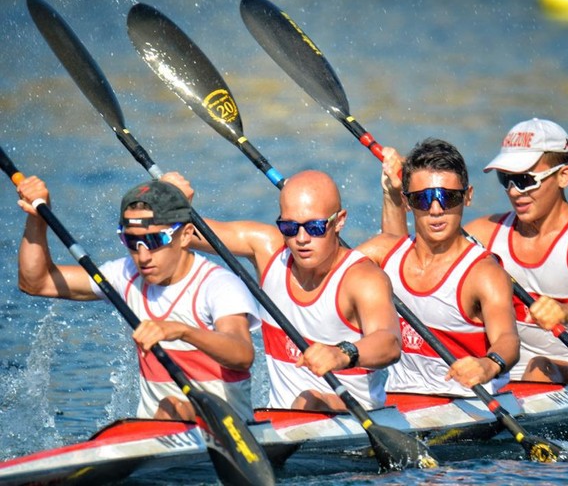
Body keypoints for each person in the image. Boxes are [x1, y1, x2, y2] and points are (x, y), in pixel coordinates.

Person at [16, 177, 260, 421]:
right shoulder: (125, 275)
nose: (143, 257)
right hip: (157, 426)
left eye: (154, 241)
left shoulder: (219, 285)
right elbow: (36, 282)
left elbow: (242, 355)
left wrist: (183, 331)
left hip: (229, 426)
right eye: (132, 242)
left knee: (172, 404)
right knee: (168, 407)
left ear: (185, 235)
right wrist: (37, 218)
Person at [162, 169, 401, 412]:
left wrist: (342, 354)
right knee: (174, 405)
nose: (301, 238)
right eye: (289, 227)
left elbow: (389, 343)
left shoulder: (362, 278)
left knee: (310, 398)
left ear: (339, 221)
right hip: (286, 417)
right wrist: (169, 204)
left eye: (315, 227)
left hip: (354, 414)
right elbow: (183, 235)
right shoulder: (268, 249)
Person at [463, 118, 568, 382]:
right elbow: (414, 263)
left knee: (539, 367)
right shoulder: (485, 233)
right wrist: (396, 197)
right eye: (505, 179)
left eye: (525, 180)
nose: (514, 191)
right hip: (500, 371)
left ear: (563, 176)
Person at [358, 138, 519, 396]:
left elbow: (508, 340)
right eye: (423, 199)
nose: (436, 210)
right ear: (407, 202)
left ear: (467, 197)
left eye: (449, 197)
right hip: (401, 398)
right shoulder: (383, 253)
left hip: (471, 400)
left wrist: (490, 364)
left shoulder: (484, 273)